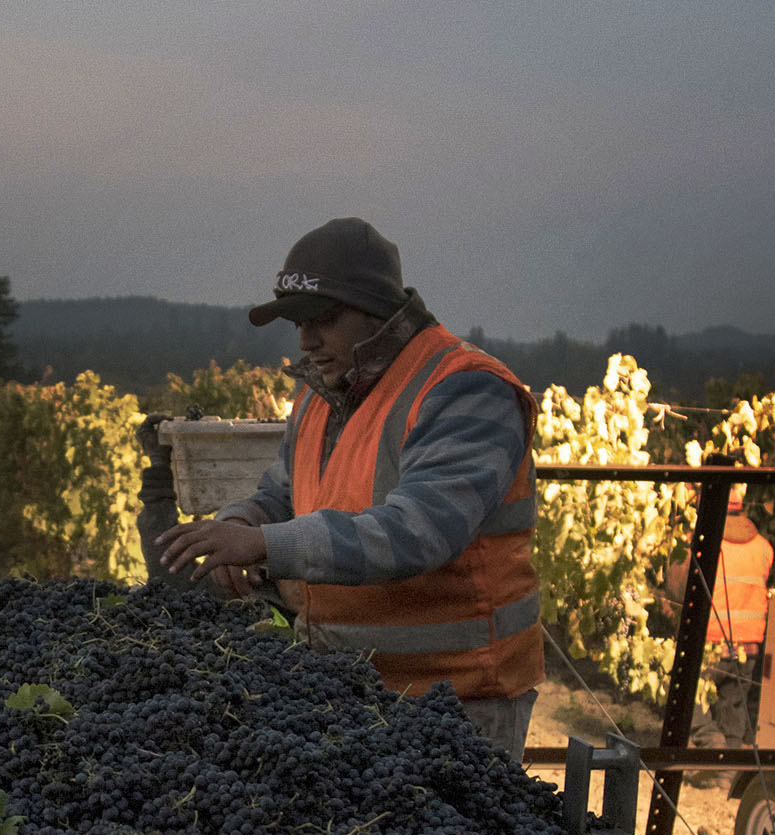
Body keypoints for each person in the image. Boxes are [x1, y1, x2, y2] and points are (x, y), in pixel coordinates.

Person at [157, 217, 543, 762]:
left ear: (377, 309)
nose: (306, 340)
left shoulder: (466, 389)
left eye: (324, 319)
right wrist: (240, 522)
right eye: (297, 323)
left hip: (460, 702)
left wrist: (265, 545)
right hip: (347, 688)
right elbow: (282, 495)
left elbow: (421, 532)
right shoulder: (321, 392)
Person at [665, 486, 774, 748]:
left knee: (692, 700)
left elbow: (677, 592)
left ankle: (709, 743)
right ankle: (728, 762)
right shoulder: (763, 547)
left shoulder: (697, 543)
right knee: (733, 706)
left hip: (710, 642)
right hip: (750, 646)